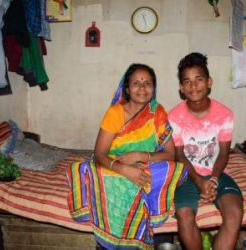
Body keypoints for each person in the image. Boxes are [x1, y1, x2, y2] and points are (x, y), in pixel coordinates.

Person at [67, 63, 187, 250]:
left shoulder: (157, 112)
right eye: (136, 83)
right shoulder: (115, 112)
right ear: (127, 88)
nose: (142, 88)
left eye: (147, 83)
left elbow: (170, 154)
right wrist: (124, 169)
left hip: (145, 163)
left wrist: (141, 155)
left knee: (174, 169)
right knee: (91, 171)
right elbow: (99, 154)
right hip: (115, 164)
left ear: (153, 88)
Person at [168, 52, 243, 250]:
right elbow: (180, 155)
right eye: (187, 82)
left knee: (234, 212)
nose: (193, 86)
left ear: (209, 82)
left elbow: (224, 154)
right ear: (181, 88)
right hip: (188, 175)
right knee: (184, 215)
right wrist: (199, 182)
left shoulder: (224, 114)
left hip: (216, 174)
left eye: (199, 80)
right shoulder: (174, 116)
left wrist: (213, 180)